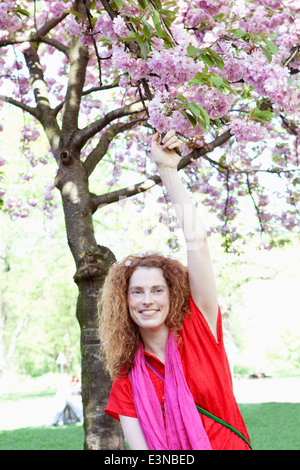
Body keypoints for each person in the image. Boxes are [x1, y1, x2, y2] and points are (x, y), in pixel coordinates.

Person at [98, 130, 251, 450]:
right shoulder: (125, 378)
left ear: (173, 296)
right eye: (137, 292)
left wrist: (168, 171)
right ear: (124, 303)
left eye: (157, 290)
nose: (147, 300)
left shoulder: (200, 328)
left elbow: (197, 241)